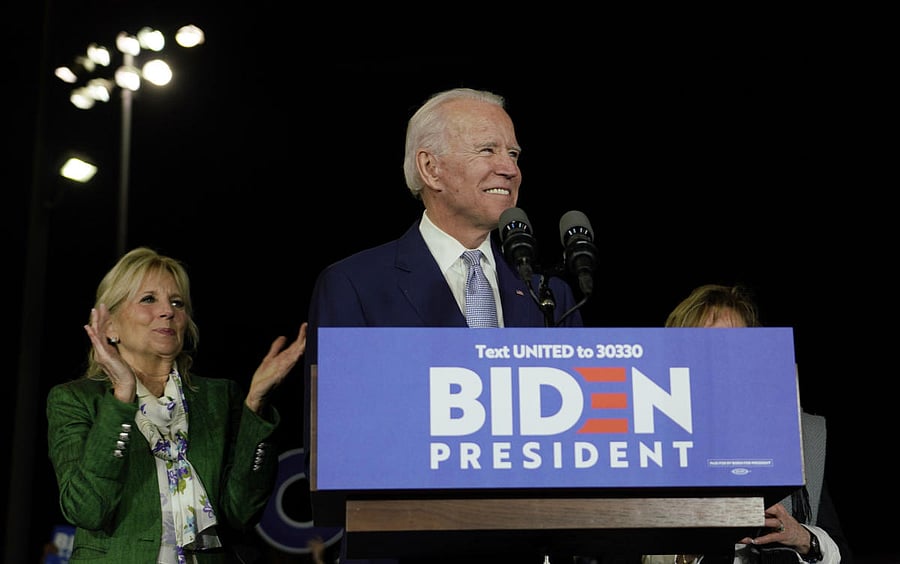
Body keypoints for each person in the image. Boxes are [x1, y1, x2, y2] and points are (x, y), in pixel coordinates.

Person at [303, 87, 585, 563]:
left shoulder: (549, 296)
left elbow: (581, 441)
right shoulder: (355, 285)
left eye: (514, 153)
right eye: (488, 150)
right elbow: (338, 447)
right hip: (405, 549)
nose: (510, 168)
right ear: (431, 168)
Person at [46, 246, 308, 563]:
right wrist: (122, 397)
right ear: (110, 326)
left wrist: (256, 403)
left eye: (176, 302)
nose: (167, 311)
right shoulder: (75, 399)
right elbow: (87, 509)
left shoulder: (219, 398)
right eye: (148, 299)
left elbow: (241, 512)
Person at [646, 283, 853, 564]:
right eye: (705, 346)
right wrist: (688, 551)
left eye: (735, 345)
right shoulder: (651, 438)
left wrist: (803, 538)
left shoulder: (799, 434)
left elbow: (841, 553)